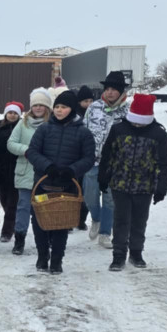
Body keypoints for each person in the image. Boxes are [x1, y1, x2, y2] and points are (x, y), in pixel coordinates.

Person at [23, 92, 95, 273]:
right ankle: (42, 255)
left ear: (71, 109)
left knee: (61, 222)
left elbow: (88, 158)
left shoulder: (83, 132)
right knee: (39, 220)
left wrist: (72, 170)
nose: (59, 110)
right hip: (43, 183)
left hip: (67, 184)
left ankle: (56, 259)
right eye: (57, 107)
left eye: (63, 107)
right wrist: (47, 167)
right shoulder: (44, 129)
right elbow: (32, 152)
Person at [99, 94, 167, 271]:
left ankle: (136, 252)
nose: (138, 125)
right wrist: (103, 177)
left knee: (139, 221)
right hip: (120, 184)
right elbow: (108, 155)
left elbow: (164, 163)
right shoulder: (119, 129)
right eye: (136, 121)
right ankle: (118, 255)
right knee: (121, 220)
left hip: (145, 186)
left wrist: (161, 188)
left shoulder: (158, 134)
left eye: (142, 122)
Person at [84, 71, 130, 249]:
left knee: (110, 199)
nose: (110, 92)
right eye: (108, 89)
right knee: (90, 196)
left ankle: (105, 233)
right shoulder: (94, 107)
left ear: (121, 91)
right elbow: (84, 130)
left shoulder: (128, 110)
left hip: (115, 164)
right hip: (93, 160)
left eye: (114, 89)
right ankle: (96, 218)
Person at [6, 88, 52, 255]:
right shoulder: (22, 123)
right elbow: (11, 143)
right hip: (25, 172)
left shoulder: (52, 125)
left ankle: (46, 238)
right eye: (35, 105)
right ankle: (19, 239)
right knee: (24, 207)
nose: (38, 108)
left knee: (43, 207)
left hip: (45, 175)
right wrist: (27, 150)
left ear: (47, 107)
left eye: (41, 105)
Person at [0, 101, 24, 242]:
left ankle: (7, 231)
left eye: (15, 113)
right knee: (2, 197)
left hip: (18, 169)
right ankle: (13, 219)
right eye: (10, 112)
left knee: (13, 202)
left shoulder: (23, 127)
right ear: (6, 114)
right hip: (2, 169)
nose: (12, 115)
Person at [73, 85, 97, 230]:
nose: (88, 104)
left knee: (87, 191)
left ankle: (81, 219)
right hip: (74, 158)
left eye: (90, 101)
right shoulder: (75, 115)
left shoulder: (96, 115)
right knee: (74, 190)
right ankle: (71, 217)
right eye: (85, 101)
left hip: (89, 158)